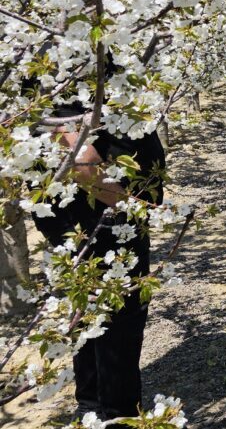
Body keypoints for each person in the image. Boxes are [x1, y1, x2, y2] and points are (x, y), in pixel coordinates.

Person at [33, 107, 165, 420]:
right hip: (100, 221)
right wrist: (137, 208)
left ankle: (93, 408)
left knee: (89, 313)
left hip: (92, 220)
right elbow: (80, 159)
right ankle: (115, 415)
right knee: (118, 320)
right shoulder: (75, 75)